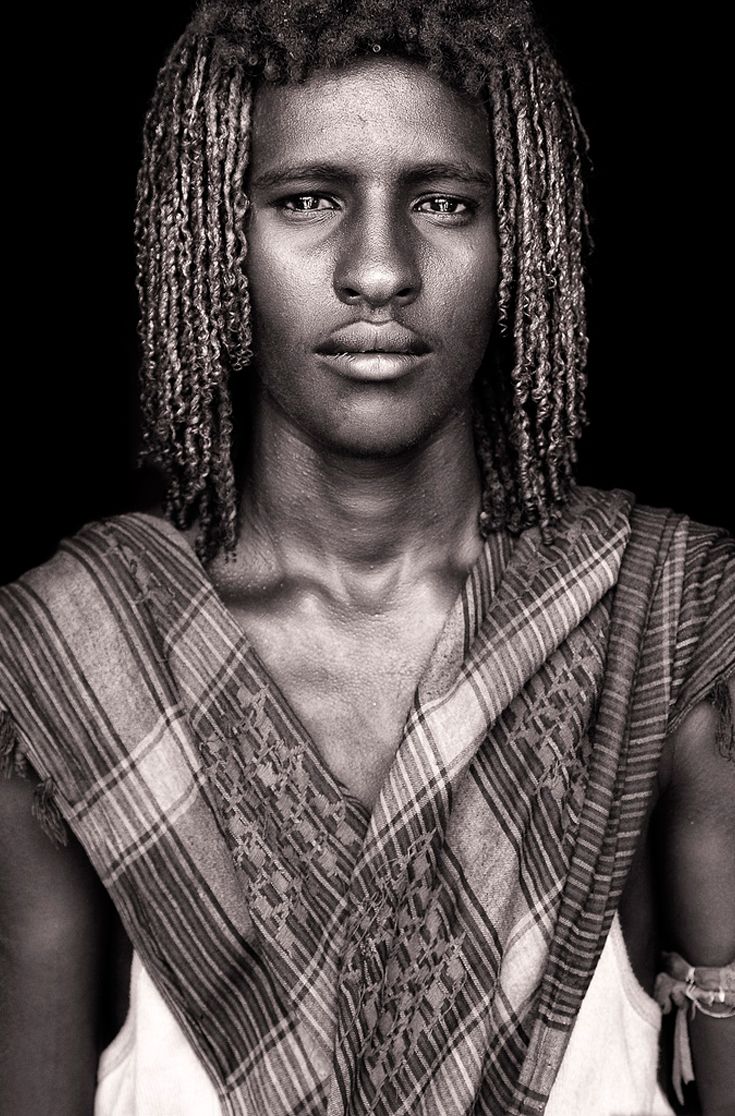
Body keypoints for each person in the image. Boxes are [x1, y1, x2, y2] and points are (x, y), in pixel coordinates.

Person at [1, 1, 733, 1114]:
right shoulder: (74, 657)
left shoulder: (663, 622)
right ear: (210, 233)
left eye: (445, 202)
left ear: (519, 240)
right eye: (307, 200)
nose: (380, 269)